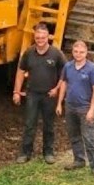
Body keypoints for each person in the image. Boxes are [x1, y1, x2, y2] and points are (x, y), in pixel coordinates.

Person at [13, 24, 65, 164]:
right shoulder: (28, 53)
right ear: (34, 37)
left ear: (48, 37)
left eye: (43, 37)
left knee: (49, 125)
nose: (40, 39)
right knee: (30, 124)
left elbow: (64, 75)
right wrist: (16, 91)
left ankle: (48, 152)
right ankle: (25, 153)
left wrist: (57, 89)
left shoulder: (56, 54)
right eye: (37, 37)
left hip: (49, 95)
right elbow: (20, 72)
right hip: (32, 94)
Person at [55, 39, 94, 179]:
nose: (78, 54)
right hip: (70, 107)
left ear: (86, 52)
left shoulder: (92, 69)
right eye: (76, 51)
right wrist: (59, 103)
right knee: (74, 135)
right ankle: (79, 160)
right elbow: (64, 84)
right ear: (72, 52)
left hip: (84, 108)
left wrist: (92, 109)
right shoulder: (68, 67)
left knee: (90, 138)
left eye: (81, 52)